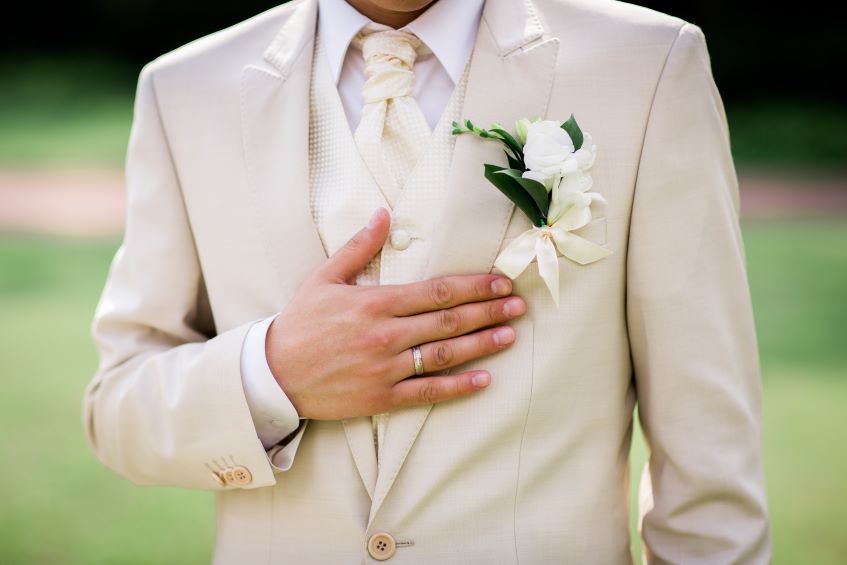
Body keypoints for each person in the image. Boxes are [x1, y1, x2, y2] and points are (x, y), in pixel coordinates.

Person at [82, 0, 772, 562]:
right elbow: (118, 410)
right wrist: (272, 373)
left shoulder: (645, 66)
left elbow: (708, 467)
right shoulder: (185, 89)